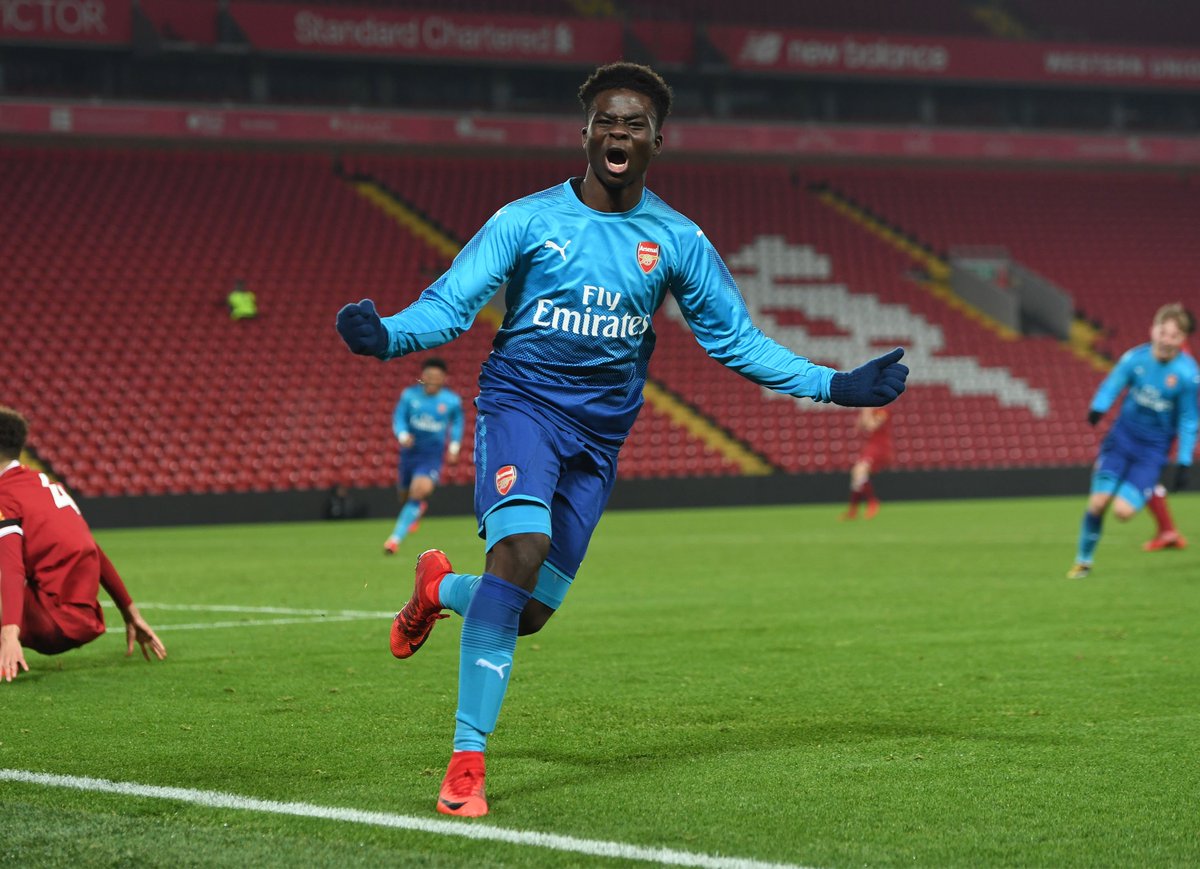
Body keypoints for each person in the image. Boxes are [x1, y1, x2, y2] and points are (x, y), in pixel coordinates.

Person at [335, 62, 908, 817]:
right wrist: (388, 336)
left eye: (635, 124)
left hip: (599, 439)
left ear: (655, 142)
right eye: (607, 120)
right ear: (586, 134)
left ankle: (437, 588)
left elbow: (736, 340)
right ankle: (467, 763)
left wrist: (832, 385)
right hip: (522, 408)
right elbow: (451, 304)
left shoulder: (677, 239)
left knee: (527, 611)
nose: (619, 133)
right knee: (520, 550)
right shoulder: (526, 220)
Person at [0, 407, 167, 682]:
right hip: (83, 623)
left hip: (50, 623)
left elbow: (10, 567)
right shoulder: (46, 485)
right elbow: (92, 549)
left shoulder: (5, 494)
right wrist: (131, 613)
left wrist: (9, 634)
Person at [1068, 303, 1197, 578]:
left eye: (1174, 336)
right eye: (1163, 332)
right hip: (1121, 441)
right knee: (1098, 504)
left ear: (1182, 339)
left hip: (1152, 451)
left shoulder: (1188, 375)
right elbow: (1113, 383)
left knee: (1123, 513)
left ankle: (1149, 488)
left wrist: (1184, 461)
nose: (1166, 340)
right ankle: (1083, 562)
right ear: (1153, 330)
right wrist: (1098, 407)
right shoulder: (1135, 359)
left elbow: (1188, 419)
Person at [384, 358, 464, 554]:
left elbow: (457, 424)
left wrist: (454, 448)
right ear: (422, 377)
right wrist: (402, 435)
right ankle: (416, 509)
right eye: (429, 376)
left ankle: (394, 540)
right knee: (404, 496)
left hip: (431, 456)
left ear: (444, 378)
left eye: (437, 376)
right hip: (409, 453)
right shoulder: (409, 396)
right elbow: (399, 417)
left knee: (418, 491)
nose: (432, 380)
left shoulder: (451, 401)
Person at [842, 406, 893, 520]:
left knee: (859, 470)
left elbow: (871, 426)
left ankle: (872, 502)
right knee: (856, 473)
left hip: (880, 446)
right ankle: (853, 511)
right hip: (871, 445)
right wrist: (864, 410)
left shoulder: (883, 409)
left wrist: (867, 409)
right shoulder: (871, 409)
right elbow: (859, 427)